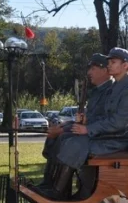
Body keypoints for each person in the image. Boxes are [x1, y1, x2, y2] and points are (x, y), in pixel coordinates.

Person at [36, 48, 128, 200]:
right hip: (110, 136)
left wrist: (88, 129)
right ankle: (53, 186)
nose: (109, 65)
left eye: (113, 62)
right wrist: (88, 123)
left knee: (75, 143)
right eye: (109, 62)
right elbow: (105, 116)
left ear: (125, 66)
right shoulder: (116, 88)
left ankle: (58, 192)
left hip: (121, 140)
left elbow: (119, 122)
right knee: (67, 138)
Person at [37, 53, 114, 194]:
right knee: (58, 132)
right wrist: (76, 122)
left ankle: (59, 191)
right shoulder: (98, 91)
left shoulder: (110, 91)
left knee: (65, 138)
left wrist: (73, 127)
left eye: (93, 69)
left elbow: (107, 119)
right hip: (92, 129)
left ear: (104, 70)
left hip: (101, 135)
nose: (89, 72)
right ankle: (49, 182)